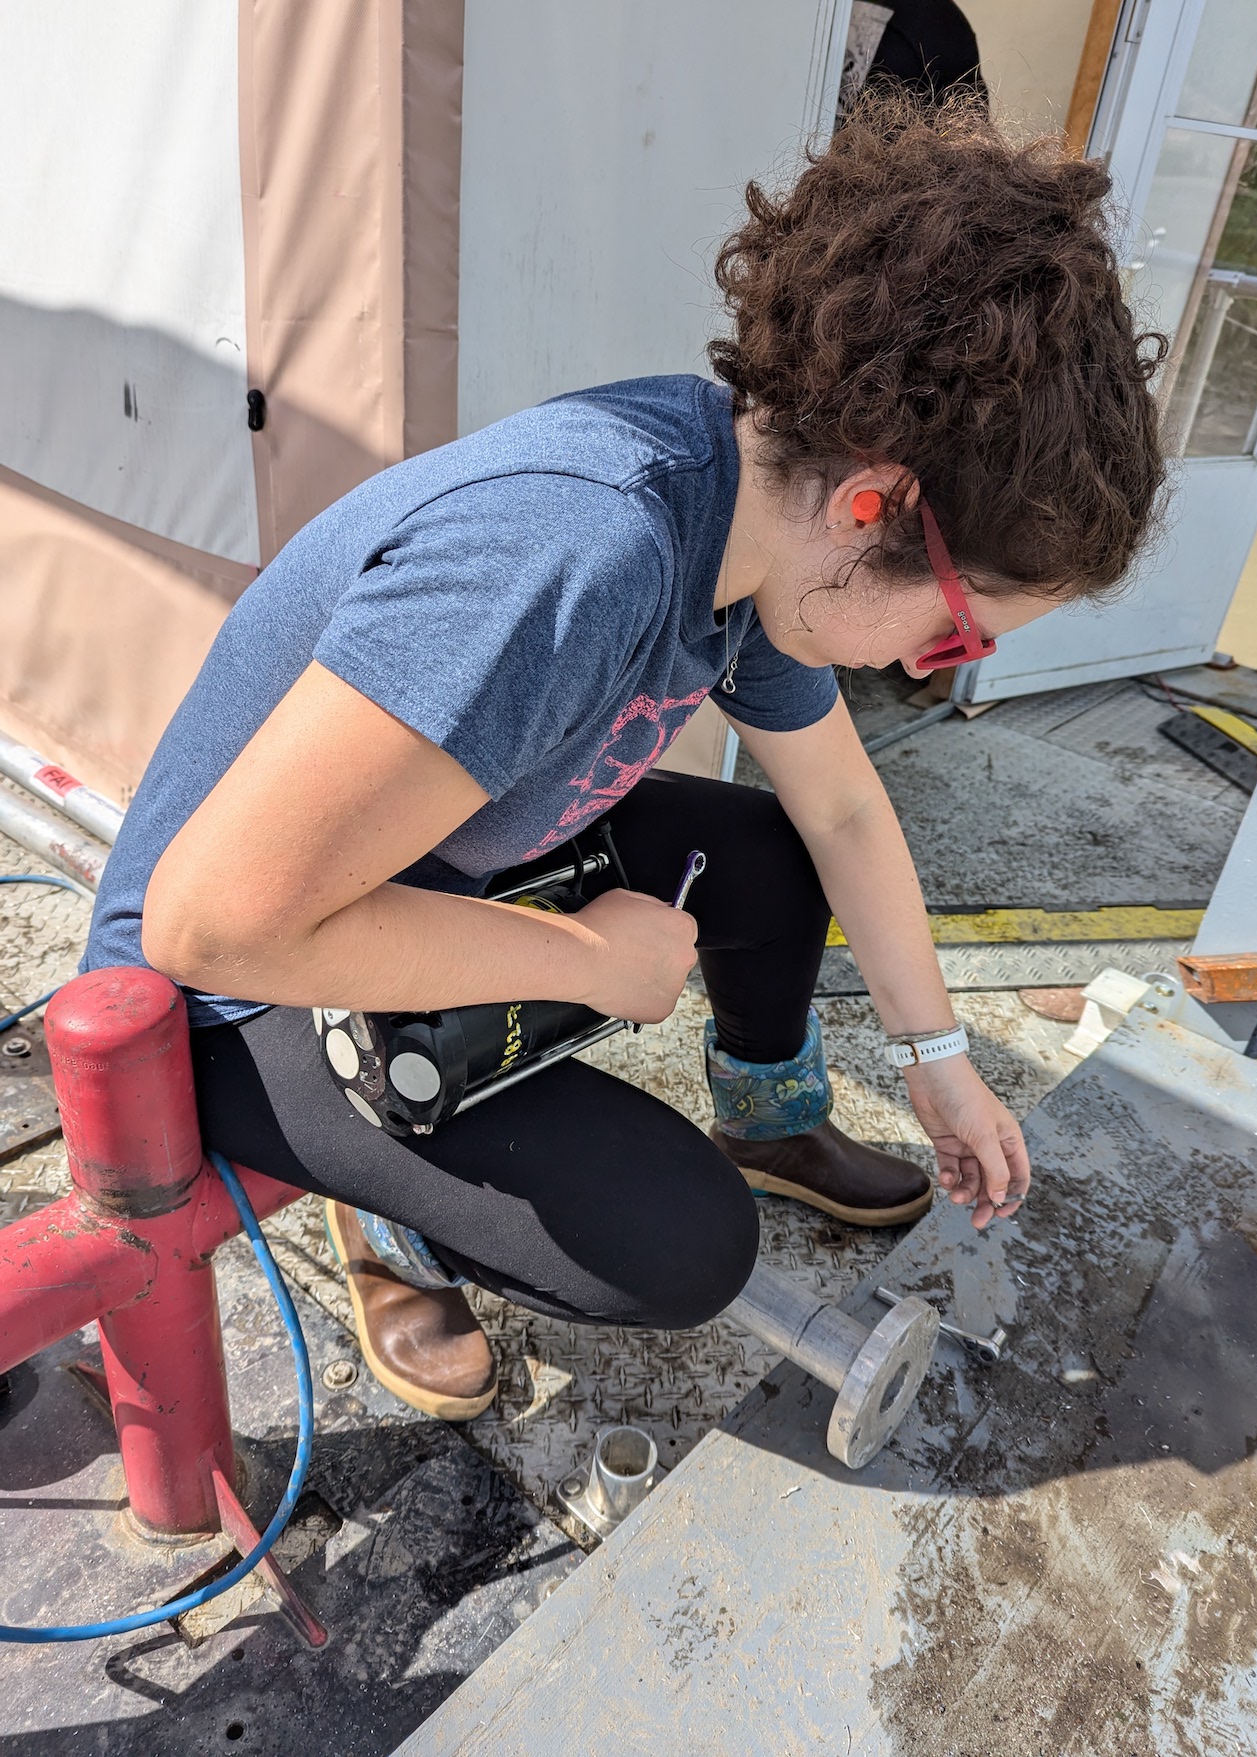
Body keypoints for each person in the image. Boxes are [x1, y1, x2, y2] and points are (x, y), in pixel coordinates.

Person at [82, 93, 1166, 1421]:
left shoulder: (756, 521)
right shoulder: (577, 555)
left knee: (771, 854)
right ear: (874, 507)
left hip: (429, 864)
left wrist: (939, 1052)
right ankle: (387, 1233)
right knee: (687, 1247)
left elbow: (842, 809)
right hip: (230, 1003)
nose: (922, 666)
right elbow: (214, 922)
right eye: (952, 636)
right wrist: (589, 960)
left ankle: (769, 1113)